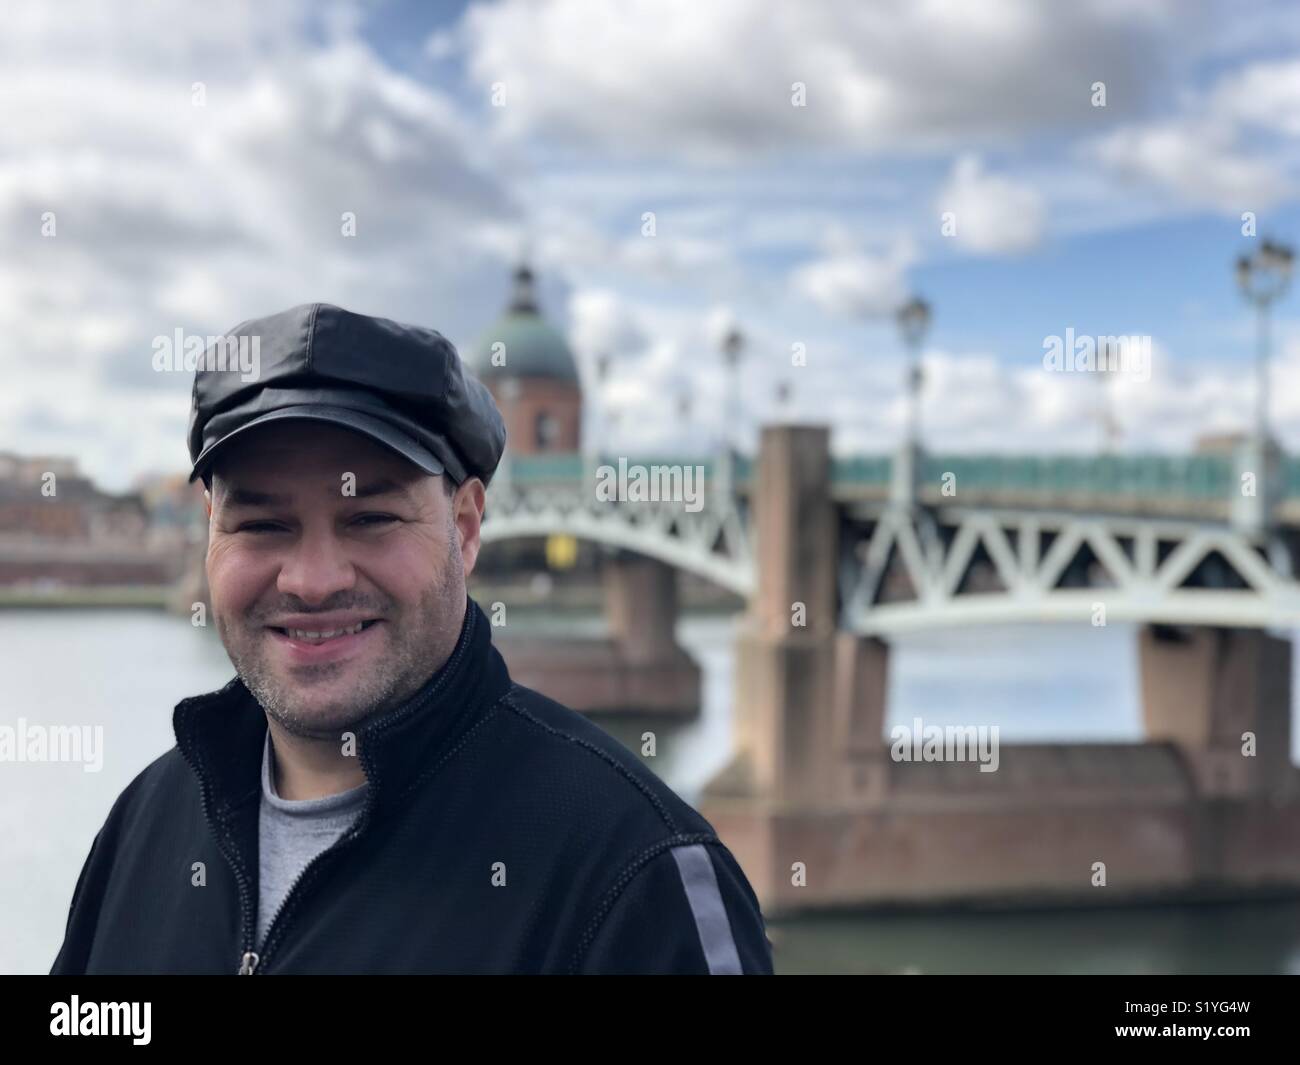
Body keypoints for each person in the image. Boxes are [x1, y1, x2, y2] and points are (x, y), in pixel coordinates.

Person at [50, 302, 774, 975]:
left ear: (464, 528)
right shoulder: (141, 824)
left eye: (370, 518)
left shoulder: (638, 876)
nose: (311, 579)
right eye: (262, 524)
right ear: (210, 532)